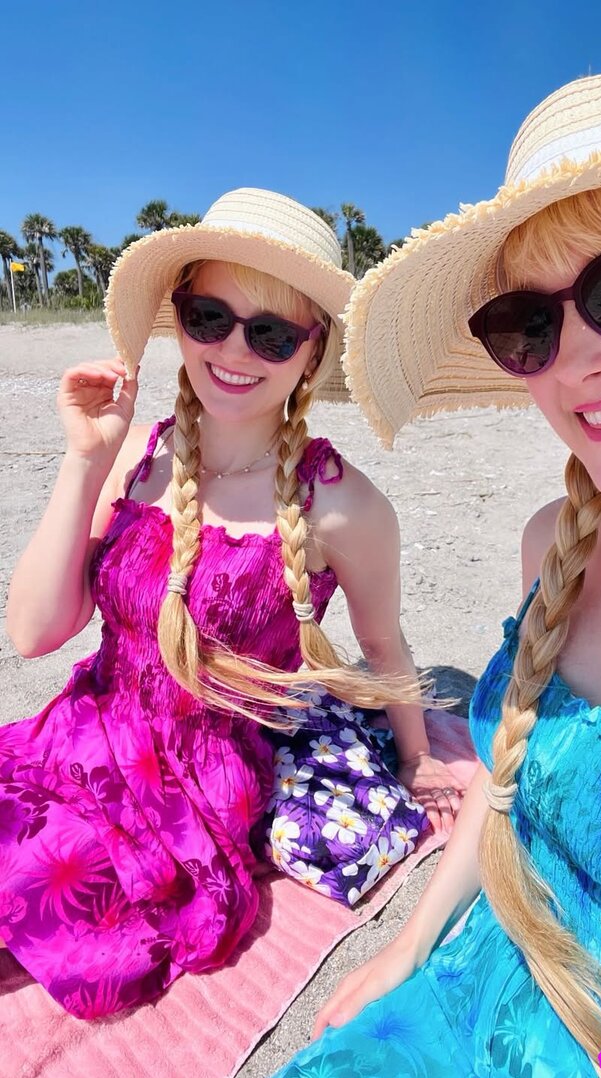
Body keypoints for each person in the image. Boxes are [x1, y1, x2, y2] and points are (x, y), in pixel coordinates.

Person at [273, 60, 601, 1078]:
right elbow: (509, 772)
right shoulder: (552, 546)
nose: (574, 362)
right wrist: (409, 944)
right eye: (529, 323)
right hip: (467, 983)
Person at [0, 188, 461, 1019]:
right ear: (180, 321)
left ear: (311, 353)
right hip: (77, 733)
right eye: (209, 317)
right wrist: (84, 461)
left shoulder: (341, 506)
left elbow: (383, 646)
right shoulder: (142, 456)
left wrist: (418, 755)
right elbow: (35, 632)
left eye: (271, 333)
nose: (234, 351)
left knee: (38, 896)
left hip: (189, 790)